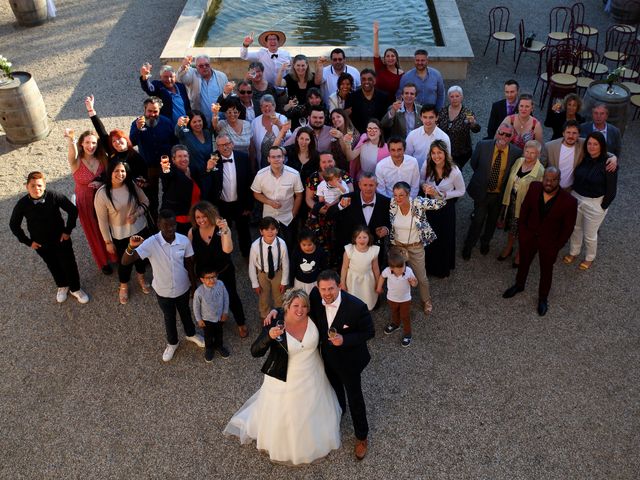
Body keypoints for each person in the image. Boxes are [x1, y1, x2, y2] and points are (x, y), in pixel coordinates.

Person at [225, 289, 341, 465]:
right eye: (295, 306)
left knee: (315, 407)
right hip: (285, 377)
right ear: (287, 306)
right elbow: (255, 351)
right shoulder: (275, 322)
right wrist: (269, 337)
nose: (300, 310)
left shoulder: (314, 317)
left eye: (303, 306)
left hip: (313, 374)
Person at [122, 210, 205, 362]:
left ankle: (191, 334)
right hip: (163, 291)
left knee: (186, 312)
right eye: (166, 226)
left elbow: (189, 265)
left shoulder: (184, 240)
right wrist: (130, 246)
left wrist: (194, 288)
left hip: (183, 288)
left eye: (173, 225)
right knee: (169, 317)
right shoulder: (150, 243)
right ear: (159, 225)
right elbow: (125, 261)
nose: (170, 228)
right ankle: (172, 343)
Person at [503, 167, 578, 316]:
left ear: (559, 180)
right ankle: (519, 285)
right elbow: (525, 209)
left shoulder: (569, 201)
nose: (549, 183)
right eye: (547, 179)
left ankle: (543, 298)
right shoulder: (534, 187)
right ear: (543, 178)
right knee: (524, 263)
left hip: (549, 244)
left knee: (546, 271)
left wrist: (557, 246)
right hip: (529, 237)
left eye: (553, 180)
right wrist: (523, 232)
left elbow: (568, 228)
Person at [10, 171, 89, 304]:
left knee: (69, 264)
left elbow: (72, 210)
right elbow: (13, 225)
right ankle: (62, 285)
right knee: (53, 264)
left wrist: (67, 230)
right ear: (27, 187)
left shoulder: (53, 196)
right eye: (33, 186)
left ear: (45, 185)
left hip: (61, 240)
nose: (37, 189)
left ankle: (75, 288)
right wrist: (28, 242)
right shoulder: (22, 204)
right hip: (41, 244)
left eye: (40, 185)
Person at [188, 201, 249, 338]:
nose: (201, 220)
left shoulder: (220, 229)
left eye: (204, 216)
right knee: (209, 299)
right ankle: (216, 319)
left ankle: (241, 323)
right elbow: (190, 255)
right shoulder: (193, 232)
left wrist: (226, 231)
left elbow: (228, 250)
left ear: (210, 215)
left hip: (223, 271)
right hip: (205, 275)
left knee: (232, 296)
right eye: (198, 217)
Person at [94, 161, 151, 305]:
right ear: (110, 172)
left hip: (140, 228)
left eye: (123, 171)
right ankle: (124, 285)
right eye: (116, 171)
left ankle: (141, 278)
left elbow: (145, 201)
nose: (120, 174)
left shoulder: (131, 184)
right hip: (120, 235)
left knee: (141, 257)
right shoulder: (102, 194)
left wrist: (137, 213)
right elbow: (102, 221)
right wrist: (108, 241)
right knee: (124, 262)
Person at [462, 124, 522, 260]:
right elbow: (474, 164)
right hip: (483, 191)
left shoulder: (516, 153)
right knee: (478, 220)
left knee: (492, 221)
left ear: (512, 137)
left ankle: (485, 242)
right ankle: (469, 245)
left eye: (507, 135)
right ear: (497, 133)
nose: (503, 137)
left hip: (499, 195)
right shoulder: (483, 145)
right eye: (501, 133)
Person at [63, 127, 114, 274]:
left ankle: (114, 255)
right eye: (87, 143)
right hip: (85, 200)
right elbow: (72, 154)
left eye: (93, 143)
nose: (90, 146)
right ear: (81, 144)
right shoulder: (76, 161)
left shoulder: (102, 158)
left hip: (103, 197)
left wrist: (102, 183)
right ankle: (103, 261)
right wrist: (71, 139)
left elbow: (109, 176)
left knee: (108, 226)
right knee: (94, 231)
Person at [563, 132, 617, 270]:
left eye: (595, 144)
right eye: (589, 143)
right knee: (575, 228)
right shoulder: (583, 157)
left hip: (594, 203)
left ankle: (589, 258)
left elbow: (611, 191)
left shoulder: (609, 163)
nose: (592, 147)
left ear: (601, 146)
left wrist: (602, 207)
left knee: (590, 235)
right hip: (576, 198)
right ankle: (574, 252)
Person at [389, 182, 445, 314]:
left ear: (408, 194)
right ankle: (399, 300)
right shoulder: (392, 203)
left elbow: (441, 203)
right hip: (398, 246)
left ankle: (426, 300)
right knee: (398, 276)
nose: (398, 198)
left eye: (401, 195)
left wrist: (435, 193)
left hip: (415, 246)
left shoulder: (418, 202)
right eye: (396, 195)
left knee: (421, 277)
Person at [496, 140, 545, 268]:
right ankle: (509, 247)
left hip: (525, 207)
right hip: (511, 201)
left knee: (523, 231)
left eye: (532, 153)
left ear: (538, 154)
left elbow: (539, 193)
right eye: (527, 151)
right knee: (512, 228)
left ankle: (520, 253)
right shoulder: (519, 162)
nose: (529, 155)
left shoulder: (540, 171)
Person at [421, 140, 465, 278]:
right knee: (429, 236)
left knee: (443, 238)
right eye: (433, 153)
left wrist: (444, 194)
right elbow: (421, 181)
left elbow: (461, 191)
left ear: (445, 154)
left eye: (439, 152)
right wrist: (424, 187)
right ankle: (428, 266)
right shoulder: (427, 165)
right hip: (430, 208)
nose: (436, 156)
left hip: (445, 209)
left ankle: (442, 268)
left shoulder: (454, 171)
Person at [328, 172, 391, 268]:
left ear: (376, 185)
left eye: (371, 185)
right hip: (351, 249)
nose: (368, 188)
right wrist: (340, 206)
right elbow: (330, 215)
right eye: (365, 185)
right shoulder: (347, 198)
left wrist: (386, 229)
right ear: (359, 185)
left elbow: (389, 221)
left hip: (374, 251)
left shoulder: (385, 202)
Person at [85, 95, 148, 190]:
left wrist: (142, 182)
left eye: (119, 138)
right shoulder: (112, 151)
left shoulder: (136, 157)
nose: (117, 142)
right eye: (113, 141)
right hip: (113, 191)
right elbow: (101, 131)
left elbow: (144, 179)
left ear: (126, 139)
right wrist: (91, 110)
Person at [129, 96, 176, 220]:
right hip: (148, 166)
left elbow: (174, 141)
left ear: (159, 110)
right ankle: (154, 220)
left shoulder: (167, 122)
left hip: (165, 164)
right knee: (151, 194)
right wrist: (138, 129)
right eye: (149, 111)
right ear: (144, 110)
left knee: (169, 190)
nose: (152, 114)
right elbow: (131, 142)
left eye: (155, 111)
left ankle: (167, 216)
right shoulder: (136, 123)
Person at [304, 153, 354, 263]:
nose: (327, 164)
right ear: (319, 164)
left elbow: (350, 193)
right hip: (321, 216)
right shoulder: (314, 177)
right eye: (324, 162)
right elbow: (309, 199)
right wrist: (319, 209)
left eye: (330, 161)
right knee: (321, 246)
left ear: (334, 162)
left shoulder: (343, 175)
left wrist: (333, 206)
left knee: (340, 244)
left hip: (340, 214)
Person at [251, 146, 304, 247]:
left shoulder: (294, 174)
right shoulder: (260, 174)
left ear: (283, 158)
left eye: (279, 156)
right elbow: (256, 193)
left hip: (288, 216)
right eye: (273, 157)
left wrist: (293, 214)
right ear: (268, 159)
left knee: (291, 244)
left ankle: (289, 262)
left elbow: (299, 195)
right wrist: (269, 202)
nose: (276, 159)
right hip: (268, 216)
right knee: (270, 245)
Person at [546, 120, 618, 190]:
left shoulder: (583, 143)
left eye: (574, 133)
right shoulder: (549, 146)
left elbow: (599, 150)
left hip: (570, 189)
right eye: (568, 132)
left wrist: (613, 157)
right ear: (563, 133)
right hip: (552, 188)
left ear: (579, 134)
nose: (571, 136)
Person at [248, 217, 290, 319]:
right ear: (261, 232)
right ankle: (265, 315)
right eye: (266, 229)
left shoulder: (282, 244)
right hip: (262, 273)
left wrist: (284, 282)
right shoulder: (255, 246)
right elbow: (251, 266)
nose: (270, 232)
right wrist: (255, 283)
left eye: (273, 229)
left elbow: (285, 263)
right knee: (264, 297)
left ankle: (279, 315)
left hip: (277, 272)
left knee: (279, 296)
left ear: (277, 230)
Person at [376, 250, 418, 347]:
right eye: (398, 269)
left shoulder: (408, 271)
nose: (401, 270)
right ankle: (396, 324)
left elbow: (415, 284)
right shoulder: (387, 271)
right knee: (394, 311)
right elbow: (382, 277)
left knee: (405, 316)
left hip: (405, 299)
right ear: (391, 268)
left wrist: (413, 282)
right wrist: (379, 287)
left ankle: (408, 333)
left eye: (402, 266)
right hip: (391, 298)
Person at [160, 145, 204, 235]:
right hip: (179, 218)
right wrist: (165, 170)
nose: (183, 159)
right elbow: (166, 176)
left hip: (196, 215)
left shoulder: (193, 169)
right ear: (173, 159)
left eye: (185, 156)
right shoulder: (172, 172)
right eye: (179, 156)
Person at [437, 85, 480, 169]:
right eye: (452, 96)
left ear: (461, 97)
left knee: (455, 171)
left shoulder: (467, 112)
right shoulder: (443, 111)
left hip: (461, 152)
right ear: (449, 98)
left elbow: (476, 129)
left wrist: (473, 123)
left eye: (457, 96)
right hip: (444, 150)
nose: (454, 98)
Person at [177, 54, 229, 124]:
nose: (204, 67)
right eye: (201, 66)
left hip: (221, 120)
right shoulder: (192, 75)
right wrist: (183, 67)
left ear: (210, 64)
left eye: (207, 65)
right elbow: (180, 79)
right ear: (196, 67)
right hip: (201, 123)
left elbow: (228, 96)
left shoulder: (221, 76)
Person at [193, 268, 230, 362]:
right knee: (208, 335)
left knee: (219, 333)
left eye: (214, 277)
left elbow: (226, 298)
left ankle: (219, 346)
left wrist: (225, 312)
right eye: (208, 278)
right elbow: (196, 307)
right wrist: (199, 319)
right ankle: (209, 348)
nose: (212, 280)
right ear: (202, 279)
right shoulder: (199, 292)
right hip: (207, 319)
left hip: (219, 317)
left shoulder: (221, 284)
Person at [276, 54, 324, 126]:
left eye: (303, 65)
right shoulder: (290, 78)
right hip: (294, 113)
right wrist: (281, 70)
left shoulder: (313, 77)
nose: (300, 68)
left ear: (307, 65)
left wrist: (320, 65)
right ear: (294, 66)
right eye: (298, 65)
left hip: (311, 113)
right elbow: (278, 83)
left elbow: (319, 81)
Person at [340, 227, 380, 311]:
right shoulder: (349, 250)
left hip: (368, 279)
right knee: (354, 295)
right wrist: (342, 282)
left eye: (365, 237)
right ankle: (354, 310)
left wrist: (378, 283)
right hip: (353, 279)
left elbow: (376, 268)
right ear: (355, 239)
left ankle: (366, 309)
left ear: (369, 238)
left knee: (367, 295)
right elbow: (344, 268)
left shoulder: (373, 251)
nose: (362, 240)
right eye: (359, 237)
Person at [405, 104, 451, 171]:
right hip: (415, 172)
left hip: (435, 174)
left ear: (437, 117)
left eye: (431, 117)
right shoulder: (412, 135)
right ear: (421, 117)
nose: (428, 121)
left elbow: (446, 159)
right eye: (425, 117)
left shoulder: (444, 138)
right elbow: (407, 156)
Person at [345, 69, 390, 134]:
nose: (366, 82)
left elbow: (387, 120)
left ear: (374, 81)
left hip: (379, 136)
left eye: (370, 79)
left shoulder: (384, 97)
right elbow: (348, 119)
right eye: (363, 79)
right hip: (358, 137)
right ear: (360, 81)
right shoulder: (352, 97)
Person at [251, 95, 290, 169]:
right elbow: (252, 146)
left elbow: (288, 138)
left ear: (274, 106)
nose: (267, 108)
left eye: (269, 106)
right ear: (261, 107)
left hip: (280, 161)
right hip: (263, 163)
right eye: (264, 106)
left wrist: (279, 124)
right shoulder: (255, 122)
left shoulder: (283, 118)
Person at [372, 21, 404, 101]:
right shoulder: (380, 67)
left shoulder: (401, 74)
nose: (390, 58)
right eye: (388, 56)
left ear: (396, 59)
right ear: (384, 59)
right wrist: (376, 34)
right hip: (376, 101)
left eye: (392, 56)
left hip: (391, 104)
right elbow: (376, 53)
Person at [289, 230, 327, 294]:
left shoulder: (320, 252)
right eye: (304, 245)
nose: (307, 247)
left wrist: (323, 281)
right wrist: (291, 283)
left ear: (314, 242)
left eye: (309, 245)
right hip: (299, 282)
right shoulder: (296, 252)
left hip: (315, 282)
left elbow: (324, 267)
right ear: (299, 243)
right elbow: (292, 268)